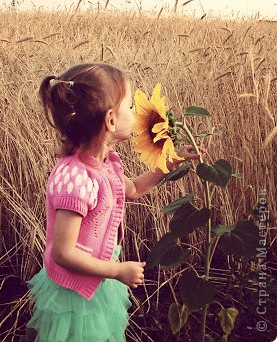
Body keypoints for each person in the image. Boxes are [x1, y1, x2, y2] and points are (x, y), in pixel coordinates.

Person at [26, 63, 203, 341]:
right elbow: (63, 252)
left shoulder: (104, 164)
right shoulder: (76, 179)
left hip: (99, 276)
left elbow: (132, 189)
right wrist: (117, 270)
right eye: (130, 107)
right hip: (77, 292)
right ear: (110, 120)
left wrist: (173, 159)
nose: (134, 113)